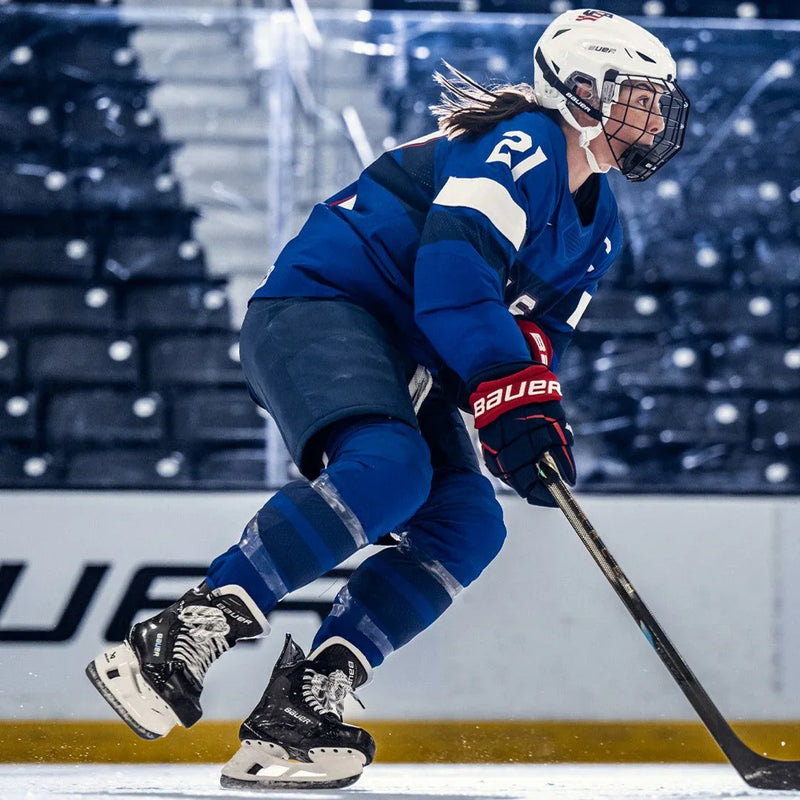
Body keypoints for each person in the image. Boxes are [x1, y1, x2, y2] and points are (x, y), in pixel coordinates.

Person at [86, 8, 689, 791]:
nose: (654, 120)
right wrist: (505, 389)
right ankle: (183, 630)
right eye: (638, 97)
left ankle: (301, 704)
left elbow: (539, 336)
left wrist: (529, 417)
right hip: (320, 308)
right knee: (390, 469)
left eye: (659, 103)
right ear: (577, 89)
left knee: (468, 525)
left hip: (407, 349)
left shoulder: (599, 223)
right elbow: (454, 276)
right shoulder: (525, 144)